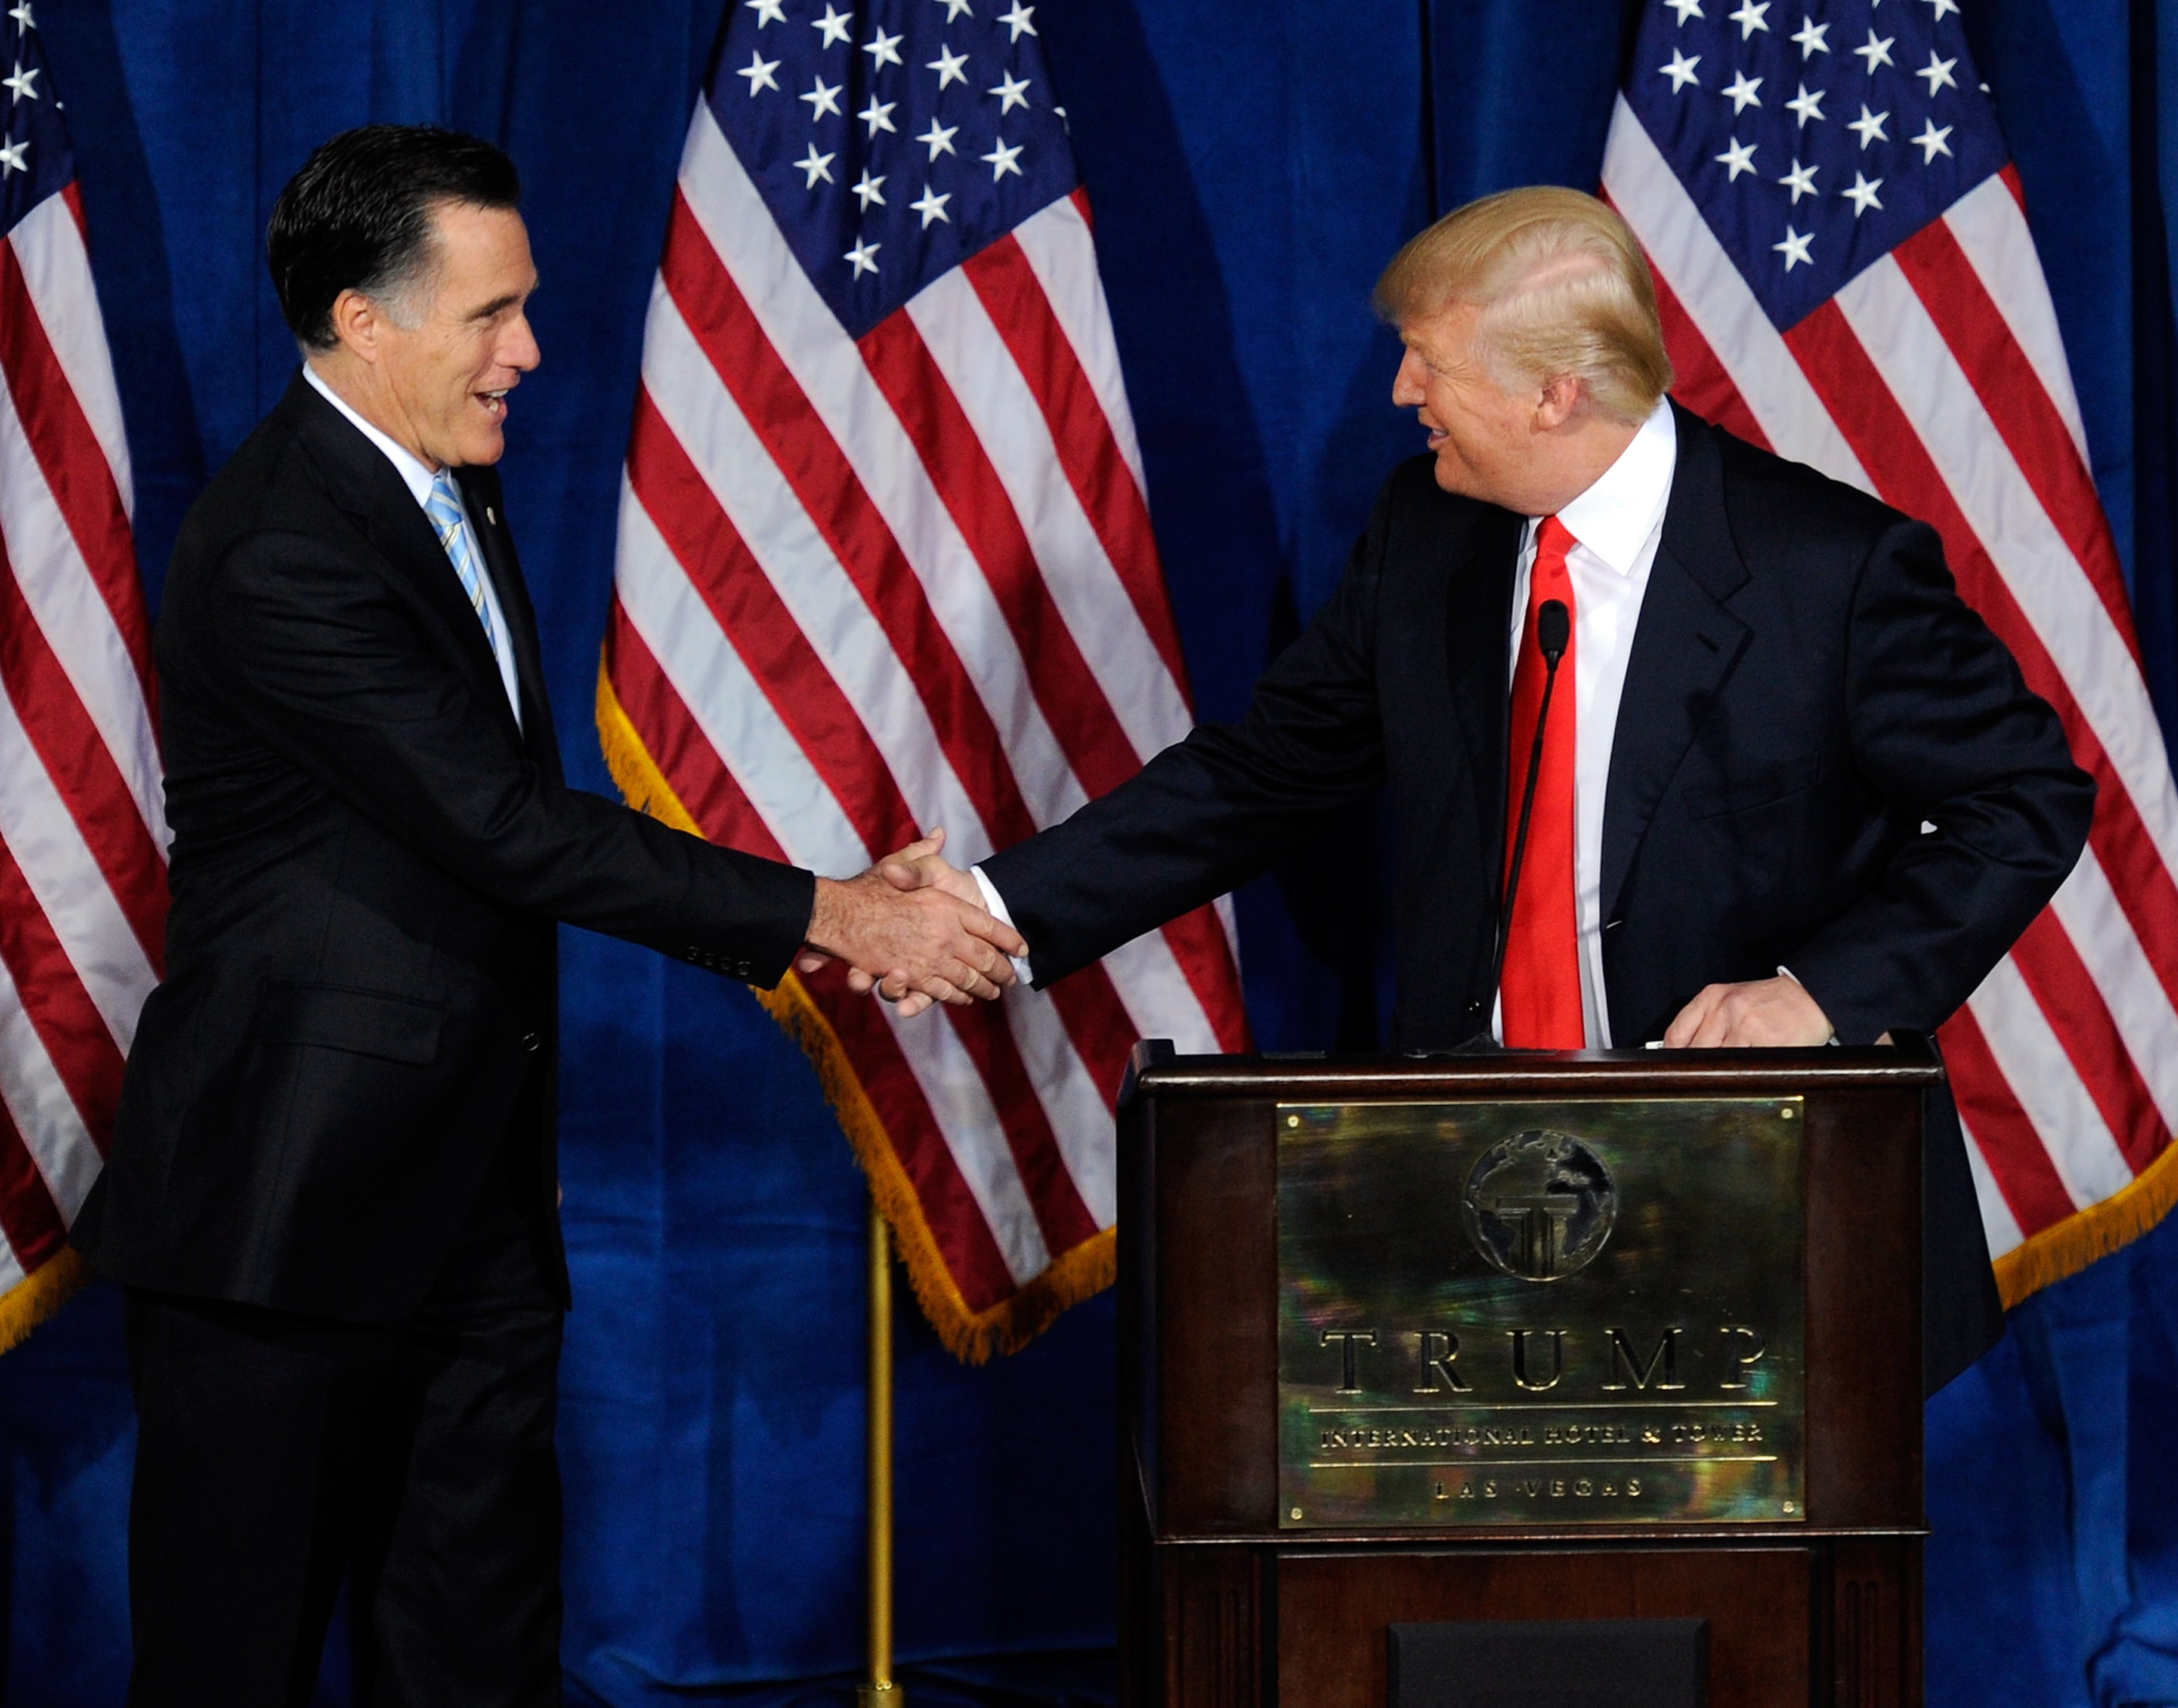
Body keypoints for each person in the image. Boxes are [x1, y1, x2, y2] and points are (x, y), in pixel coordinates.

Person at [69, 125, 1021, 1705]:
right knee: (229, 1657)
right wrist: (837, 916)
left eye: (525, 306)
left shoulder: (444, 481)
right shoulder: (281, 546)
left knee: (476, 1650)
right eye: (490, 315)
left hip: (470, 1196)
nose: (531, 349)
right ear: (364, 324)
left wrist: (823, 911)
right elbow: (505, 826)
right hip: (282, 1212)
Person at [887, 185, 2096, 1393]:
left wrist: (1822, 994)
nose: (1404, 392)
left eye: (1428, 360)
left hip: (1766, 1198)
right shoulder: (1428, 533)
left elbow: (2025, 800)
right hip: (1478, 1210)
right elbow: (1261, 774)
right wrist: (993, 911)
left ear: (1554, 393)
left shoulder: (1827, 570)